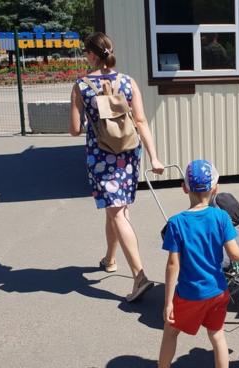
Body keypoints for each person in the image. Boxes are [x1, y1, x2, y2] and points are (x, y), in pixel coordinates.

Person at [69, 32, 164, 302]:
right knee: (118, 208)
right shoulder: (127, 81)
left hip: (101, 157)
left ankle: (140, 277)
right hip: (129, 153)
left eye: (85, 52)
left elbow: (75, 130)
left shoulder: (81, 85)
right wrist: (154, 158)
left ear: (91, 54)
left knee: (117, 212)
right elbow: (142, 121)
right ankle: (110, 259)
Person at [158, 159, 239, 368]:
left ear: (184, 188)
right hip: (219, 291)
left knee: (171, 332)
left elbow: (173, 265)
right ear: (215, 187)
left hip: (190, 293)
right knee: (217, 335)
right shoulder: (221, 217)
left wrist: (168, 302)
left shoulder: (176, 222)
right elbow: (236, 254)